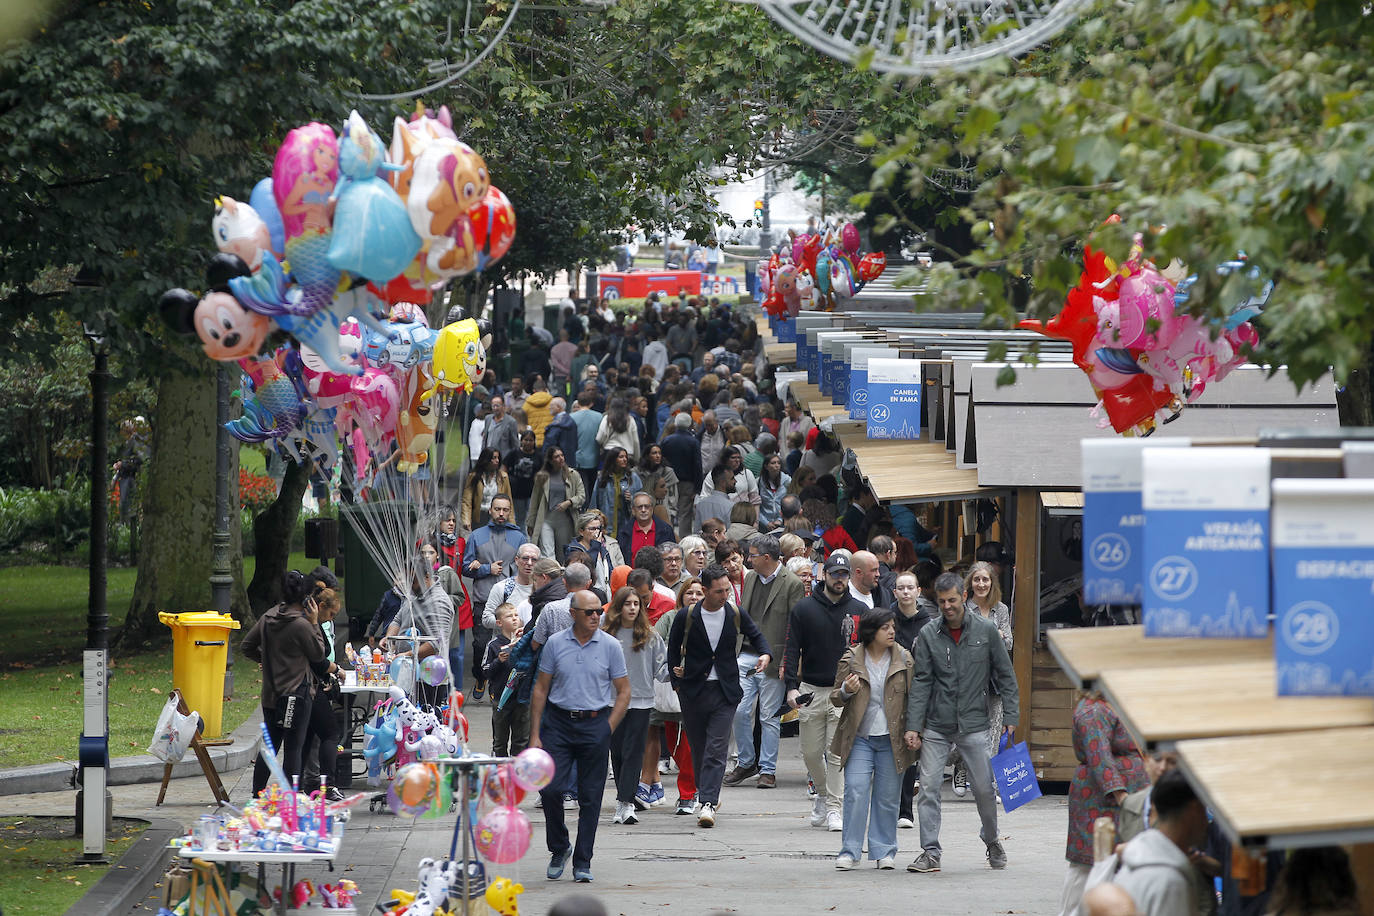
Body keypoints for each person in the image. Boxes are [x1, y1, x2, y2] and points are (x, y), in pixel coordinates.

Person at [903, 571, 1020, 874]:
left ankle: (992, 838)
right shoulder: (929, 634)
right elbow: (921, 683)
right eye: (941, 602)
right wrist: (913, 726)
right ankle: (930, 852)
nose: (947, 607)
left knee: (983, 788)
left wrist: (1011, 716)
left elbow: (1006, 676)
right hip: (937, 724)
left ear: (964, 597)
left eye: (952, 600)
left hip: (974, 723)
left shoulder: (986, 631)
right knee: (928, 787)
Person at [529, 589, 631, 884]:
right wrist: (535, 734)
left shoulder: (610, 645)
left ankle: (583, 860)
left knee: (591, 796)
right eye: (589, 612)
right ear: (573, 613)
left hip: (595, 723)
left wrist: (608, 727)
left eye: (599, 611)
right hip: (558, 724)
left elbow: (624, 691)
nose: (596, 616)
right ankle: (559, 847)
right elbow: (541, 689)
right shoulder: (555, 644)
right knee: (550, 790)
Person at [665, 563, 771, 829]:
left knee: (716, 748)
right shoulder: (687, 616)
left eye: (727, 590)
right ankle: (706, 792)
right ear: (705, 590)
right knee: (699, 747)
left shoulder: (734, 612)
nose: (725, 595)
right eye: (719, 591)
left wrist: (765, 655)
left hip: (725, 691)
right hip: (693, 691)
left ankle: (708, 802)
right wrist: (677, 681)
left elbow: (757, 636)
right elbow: (672, 652)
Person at [782, 553, 867, 832]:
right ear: (824, 575)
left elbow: (866, 651)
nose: (840, 579)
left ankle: (834, 807)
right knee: (810, 752)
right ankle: (821, 793)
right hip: (811, 689)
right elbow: (793, 648)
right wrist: (791, 687)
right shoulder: (804, 609)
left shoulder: (858, 609)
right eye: (835, 574)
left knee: (835, 754)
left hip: (843, 691)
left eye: (844, 575)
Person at [830, 608, 915, 870]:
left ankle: (884, 851)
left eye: (893, 626)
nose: (892, 631)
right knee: (855, 791)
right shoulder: (852, 658)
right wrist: (846, 690)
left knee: (888, 796)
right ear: (870, 632)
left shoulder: (904, 658)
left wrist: (915, 730)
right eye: (885, 628)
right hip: (860, 738)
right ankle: (850, 851)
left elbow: (914, 699)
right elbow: (835, 696)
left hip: (893, 738)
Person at [242, 569, 340, 795]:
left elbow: (247, 646)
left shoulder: (269, 616)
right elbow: (318, 654)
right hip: (296, 694)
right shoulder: (302, 624)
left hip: (270, 695)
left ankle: (257, 795)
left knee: (270, 746)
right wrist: (315, 624)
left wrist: (266, 660)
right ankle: (292, 799)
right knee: (294, 748)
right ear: (305, 594)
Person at [1059, 692, 1149, 916]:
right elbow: (1099, 756)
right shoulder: (1094, 710)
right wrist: (1121, 796)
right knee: (1088, 863)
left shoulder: (1115, 703)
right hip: (1098, 800)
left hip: (1125, 797)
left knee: (1118, 860)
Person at [724, 535, 803, 790]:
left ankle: (767, 770)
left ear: (766, 558)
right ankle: (747, 762)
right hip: (746, 654)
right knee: (738, 709)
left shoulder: (791, 583)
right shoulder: (750, 578)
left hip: (775, 657)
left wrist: (787, 661)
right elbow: (742, 617)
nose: (748, 560)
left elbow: (794, 626)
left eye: (753, 555)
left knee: (769, 716)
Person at [1089, 770, 1208, 916]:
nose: (1207, 821)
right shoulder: (1170, 882)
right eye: (1204, 810)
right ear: (1194, 810)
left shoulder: (1137, 858)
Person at [603, 587, 667, 825]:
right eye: (627, 604)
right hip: (611, 700)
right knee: (617, 751)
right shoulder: (606, 635)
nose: (632, 608)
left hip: (641, 701)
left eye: (636, 604)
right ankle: (623, 800)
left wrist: (680, 672)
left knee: (634, 751)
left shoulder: (649, 636)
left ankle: (627, 802)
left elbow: (662, 670)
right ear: (618, 607)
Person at [956, 559, 1015, 796]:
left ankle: (986, 783)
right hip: (968, 680)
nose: (981, 584)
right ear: (970, 583)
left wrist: (997, 634)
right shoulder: (962, 608)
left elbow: (1008, 642)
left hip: (995, 679)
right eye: (977, 579)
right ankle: (960, 765)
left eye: (986, 580)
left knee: (992, 732)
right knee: (966, 730)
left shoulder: (1001, 610)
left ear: (992, 583)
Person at [463, 494, 528, 701]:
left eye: (505, 510)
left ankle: (504, 682)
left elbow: (526, 564)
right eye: (497, 509)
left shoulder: (519, 537)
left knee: (512, 643)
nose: (501, 514)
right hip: (484, 598)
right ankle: (481, 676)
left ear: (510, 512)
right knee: (481, 644)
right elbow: (465, 567)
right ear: (489, 510)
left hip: (510, 601)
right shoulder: (476, 535)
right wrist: (485, 569)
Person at [386, 556, 455, 707]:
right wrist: (389, 638)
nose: (409, 585)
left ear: (427, 577)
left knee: (424, 724)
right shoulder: (413, 594)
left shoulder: (439, 602)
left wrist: (407, 656)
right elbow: (398, 619)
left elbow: (436, 643)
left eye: (413, 580)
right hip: (405, 672)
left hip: (427, 679)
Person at [482, 603, 530, 756]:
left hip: (522, 697)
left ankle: (517, 771)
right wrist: (498, 661)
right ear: (499, 623)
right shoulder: (494, 645)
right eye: (509, 616)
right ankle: (499, 770)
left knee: (521, 739)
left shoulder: (525, 641)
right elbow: (485, 671)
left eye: (516, 615)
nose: (515, 618)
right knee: (500, 739)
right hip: (500, 697)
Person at [529, 446, 585, 559]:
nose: (561, 458)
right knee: (547, 554)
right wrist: (530, 522)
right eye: (556, 456)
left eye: (562, 455)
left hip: (564, 520)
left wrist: (569, 502)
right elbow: (534, 500)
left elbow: (582, 496)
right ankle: (550, 575)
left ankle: (562, 576)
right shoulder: (542, 477)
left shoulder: (572, 474)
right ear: (550, 460)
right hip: (546, 519)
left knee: (563, 553)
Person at [661, 412, 703, 538]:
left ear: (675, 423)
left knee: (669, 510)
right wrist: (698, 487)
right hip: (687, 482)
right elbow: (697, 465)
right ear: (690, 424)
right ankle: (684, 540)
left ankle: (667, 537)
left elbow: (661, 461)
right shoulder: (693, 442)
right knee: (685, 514)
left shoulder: (666, 440)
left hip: (668, 481)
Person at [482, 541, 539, 629]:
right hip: (505, 641)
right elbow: (486, 619)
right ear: (516, 560)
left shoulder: (542, 589)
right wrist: (510, 624)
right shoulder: (503, 588)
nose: (529, 563)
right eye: (525, 558)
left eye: (534, 559)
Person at [591, 447, 642, 542]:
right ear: (613, 459)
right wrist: (594, 519)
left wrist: (631, 499)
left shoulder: (633, 478)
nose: (625, 459)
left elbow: (641, 500)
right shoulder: (602, 478)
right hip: (607, 522)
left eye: (626, 457)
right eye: (621, 457)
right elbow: (595, 500)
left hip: (626, 522)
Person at [461, 447, 512, 534]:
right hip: (480, 515)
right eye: (494, 458)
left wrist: (511, 522)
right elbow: (467, 500)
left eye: (498, 458)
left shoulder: (503, 477)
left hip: (497, 515)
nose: (497, 461)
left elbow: (508, 500)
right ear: (486, 460)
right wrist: (466, 519)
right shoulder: (474, 476)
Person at [565, 511, 614, 594]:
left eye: (599, 528)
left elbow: (610, 573)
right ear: (581, 531)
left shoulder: (603, 550)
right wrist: (595, 546)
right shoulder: (573, 550)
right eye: (592, 529)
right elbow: (586, 571)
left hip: (605, 595)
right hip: (585, 596)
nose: (597, 532)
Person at [618, 491, 674, 562]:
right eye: (639, 507)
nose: (643, 510)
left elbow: (671, 557)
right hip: (632, 572)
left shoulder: (666, 530)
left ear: (652, 509)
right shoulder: (624, 532)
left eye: (646, 507)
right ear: (633, 510)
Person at [504, 428, 541, 529]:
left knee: (531, 516)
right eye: (526, 440)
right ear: (521, 441)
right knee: (520, 517)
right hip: (517, 492)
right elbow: (504, 467)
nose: (528, 443)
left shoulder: (539, 455)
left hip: (532, 492)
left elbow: (543, 470)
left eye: (531, 440)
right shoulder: (514, 453)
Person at [571, 390, 604, 495]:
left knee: (581, 489)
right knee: (592, 488)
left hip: (578, 459)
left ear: (578, 403)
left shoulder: (572, 417)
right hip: (595, 458)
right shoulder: (599, 416)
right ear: (592, 403)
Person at [637, 444, 679, 526]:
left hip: (665, 510)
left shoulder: (668, 472)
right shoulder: (638, 473)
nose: (657, 456)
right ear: (647, 456)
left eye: (659, 453)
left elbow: (673, 495)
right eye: (654, 453)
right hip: (643, 512)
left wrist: (672, 512)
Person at [597, 398, 641, 465]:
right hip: (627, 454)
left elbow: (599, 438)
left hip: (610, 453)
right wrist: (637, 458)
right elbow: (636, 441)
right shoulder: (631, 420)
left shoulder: (607, 419)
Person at [695, 466, 736, 532]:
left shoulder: (701, 504)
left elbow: (697, 532)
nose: (735, 481)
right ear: (723, 483)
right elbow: (731, 534)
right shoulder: (731, 506)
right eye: (732, 478)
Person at [757, 453, 791, 528]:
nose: (777, 465)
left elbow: (790, 503)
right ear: (766, 466)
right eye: (773, 463)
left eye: (779, 463)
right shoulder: (759, 482)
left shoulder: (787, 480)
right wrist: (766, 523)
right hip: (764, 523)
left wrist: (780, 519)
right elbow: (757, 506)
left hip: (782, 522)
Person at [545, 397, 580, 465]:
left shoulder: (556, 425)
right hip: (569, 459)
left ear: (558, 407)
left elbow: (549, 445)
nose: (549, 408)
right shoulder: (571, 421)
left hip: (556, 463)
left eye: (551, 406)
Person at [485, 395, 521, 459]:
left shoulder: (511, 421)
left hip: (503, 457)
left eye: (497, 406)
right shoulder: (488, 419)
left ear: (503, 406)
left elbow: (515, 443)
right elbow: (485, 438)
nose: (495, 408)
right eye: (493, 406)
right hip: (489, 457)